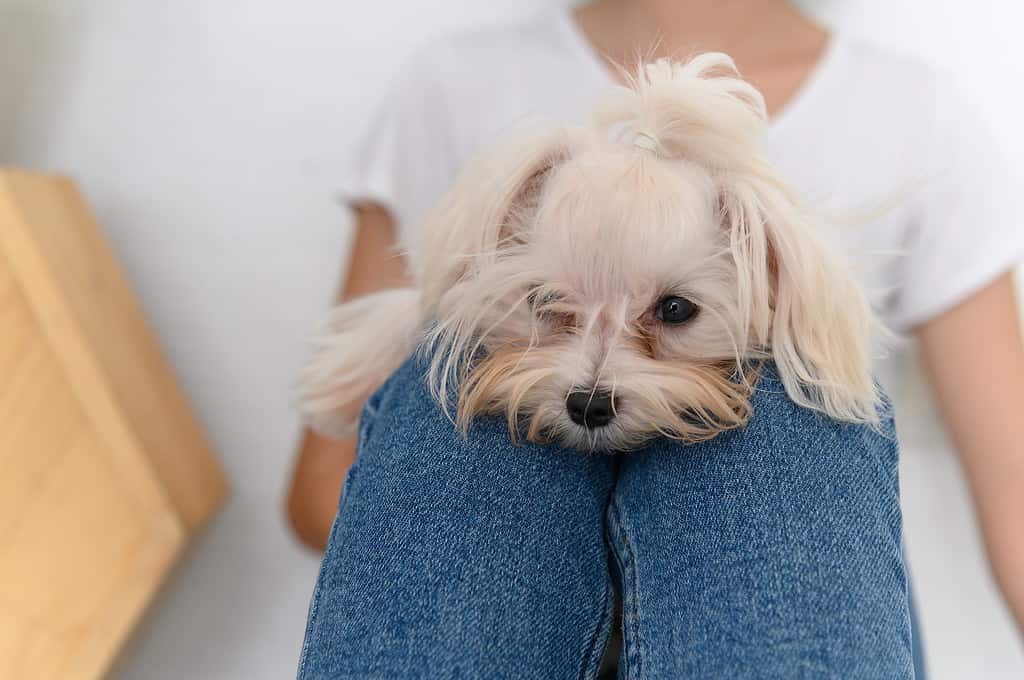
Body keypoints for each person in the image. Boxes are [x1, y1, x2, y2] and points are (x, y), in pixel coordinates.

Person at [288, 0, 1024, 675]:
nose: (596, 377)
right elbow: (325, 482)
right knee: (443, 369)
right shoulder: (449, 83)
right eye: (551, 304)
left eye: (669, 313)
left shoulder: (919, 115)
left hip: (801, 605)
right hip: (524, 625)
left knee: (793, 404)